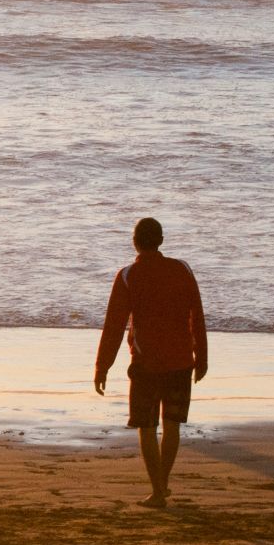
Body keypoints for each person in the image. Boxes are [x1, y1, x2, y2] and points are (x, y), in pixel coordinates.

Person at [95, 217, 208, 509]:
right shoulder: (181, 269)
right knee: (171, 426)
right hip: (181, 360)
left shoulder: (128, 275)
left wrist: (102, 366)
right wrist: (202, 358)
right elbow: (197, 313)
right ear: (160, 240)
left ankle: (158, 491)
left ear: (135, 241)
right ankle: (162, 486)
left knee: (146, 427)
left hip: (146, 364)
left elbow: (114, 325)